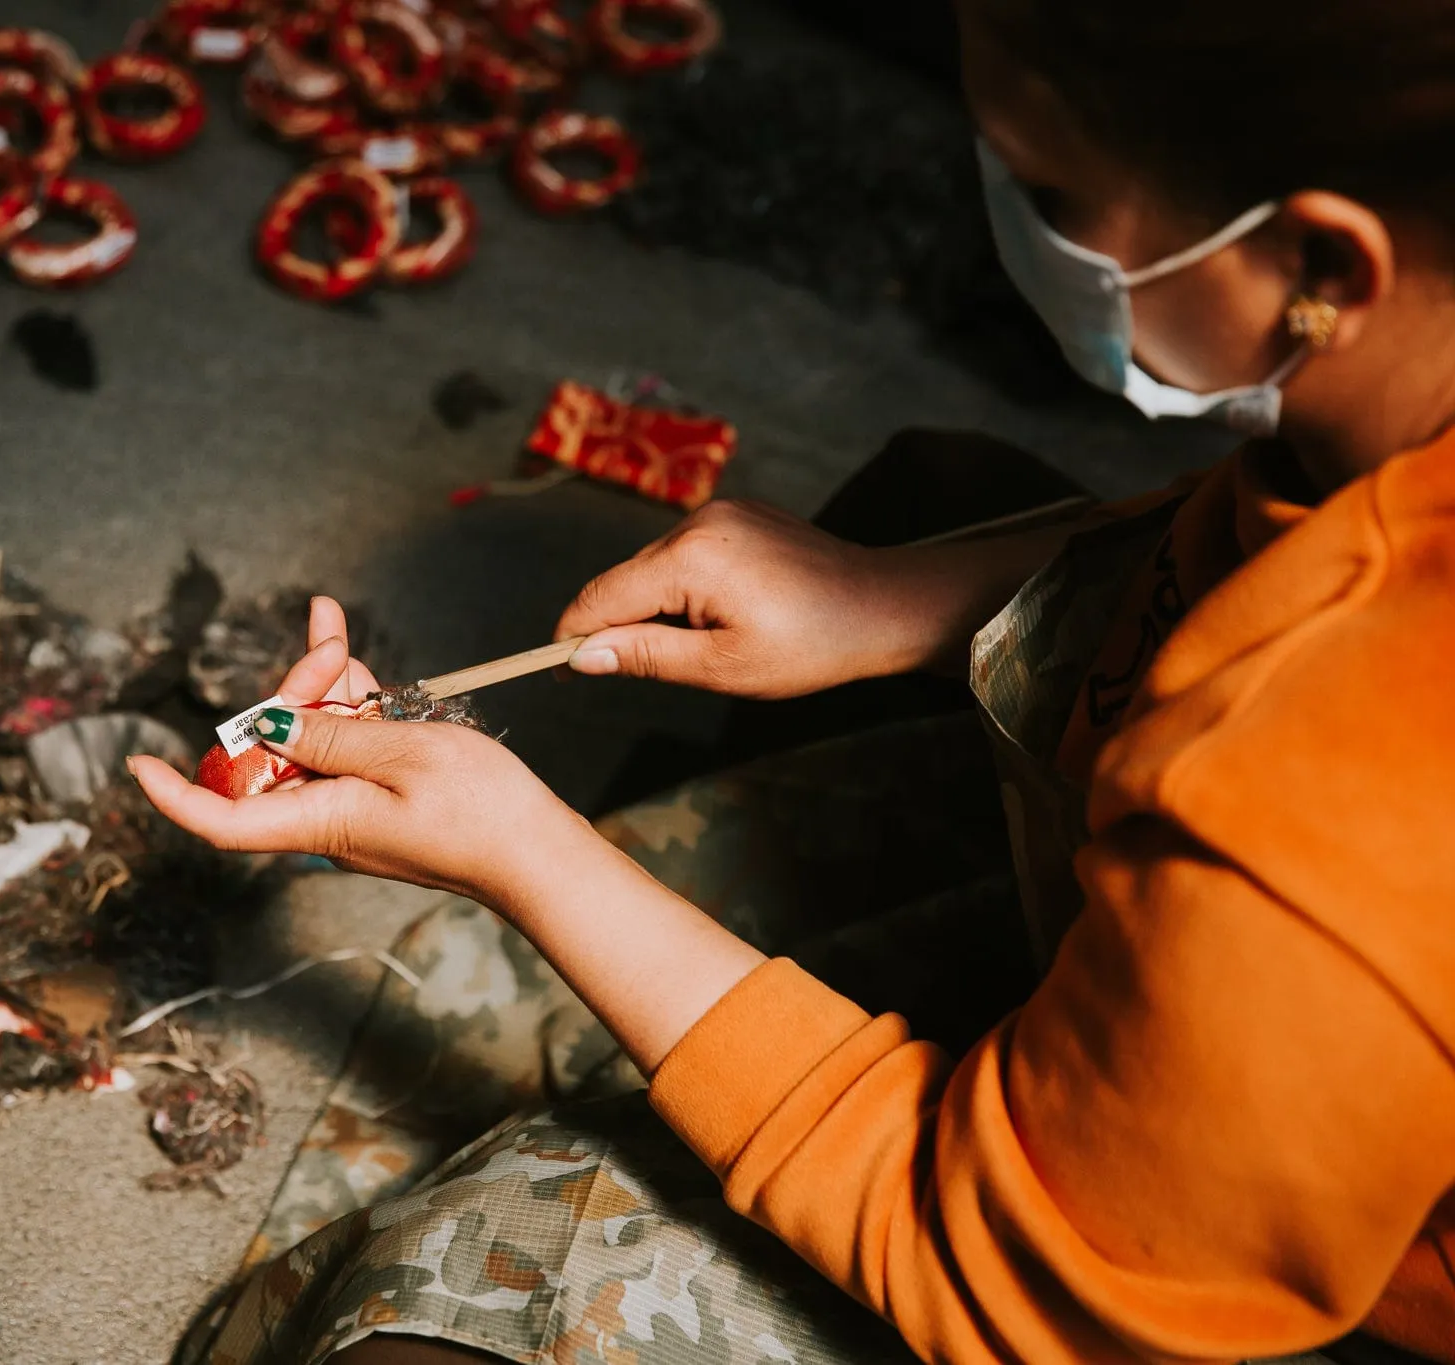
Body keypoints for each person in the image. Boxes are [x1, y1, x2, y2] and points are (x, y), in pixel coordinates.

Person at [132, 0, 1455, 1361]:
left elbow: (1001, 1268)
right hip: (1246, 966)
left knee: (460, 1292)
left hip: (1174, 1283)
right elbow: (1251, 536)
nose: (1013, 230)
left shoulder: (1336, 802)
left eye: (1055, 197)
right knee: (925, 504)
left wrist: (527, 855)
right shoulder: (1407, 380)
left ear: (1321, 265)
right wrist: (887, 602)